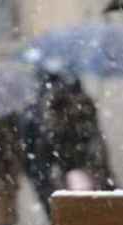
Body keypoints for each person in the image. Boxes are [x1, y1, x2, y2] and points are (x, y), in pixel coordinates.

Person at [19, 72, 115, 217]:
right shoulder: (81, 107)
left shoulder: (48, 109)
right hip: (76, 170)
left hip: (66, 171)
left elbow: (44, 150)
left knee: (72, 216)